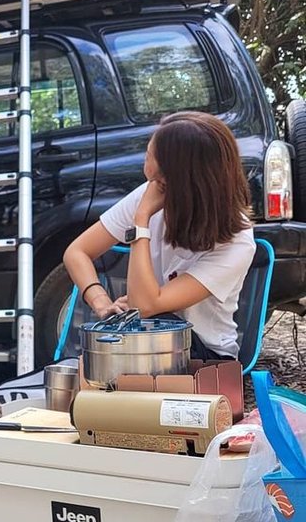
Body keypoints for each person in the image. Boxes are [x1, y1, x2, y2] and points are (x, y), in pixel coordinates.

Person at [63, 112, 255, 360]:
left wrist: (141, 220)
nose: (145, 161)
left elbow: (146, 306)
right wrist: (101, 303)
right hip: (147, 340)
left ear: (171, 176)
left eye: (149, 155)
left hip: (202, 356)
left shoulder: (237, 242)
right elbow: (77, 252)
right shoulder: (149, 193)